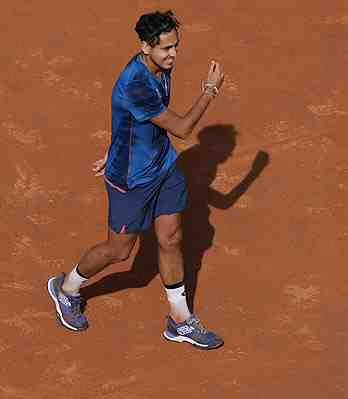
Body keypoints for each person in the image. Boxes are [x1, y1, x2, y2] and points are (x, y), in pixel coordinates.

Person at [46, 10, 225, 350]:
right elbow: (184, 129)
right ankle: (66, 287)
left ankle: (180, 320)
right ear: (145, 47)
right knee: (119, 251)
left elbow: (127, 120)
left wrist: (114, 147)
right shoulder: (136, 83)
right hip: (132, 181)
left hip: (164, 167)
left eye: (176, 47)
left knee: (171, 238)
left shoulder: (159, 68)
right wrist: (210, 91)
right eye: (165, 49)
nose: (173, 55)